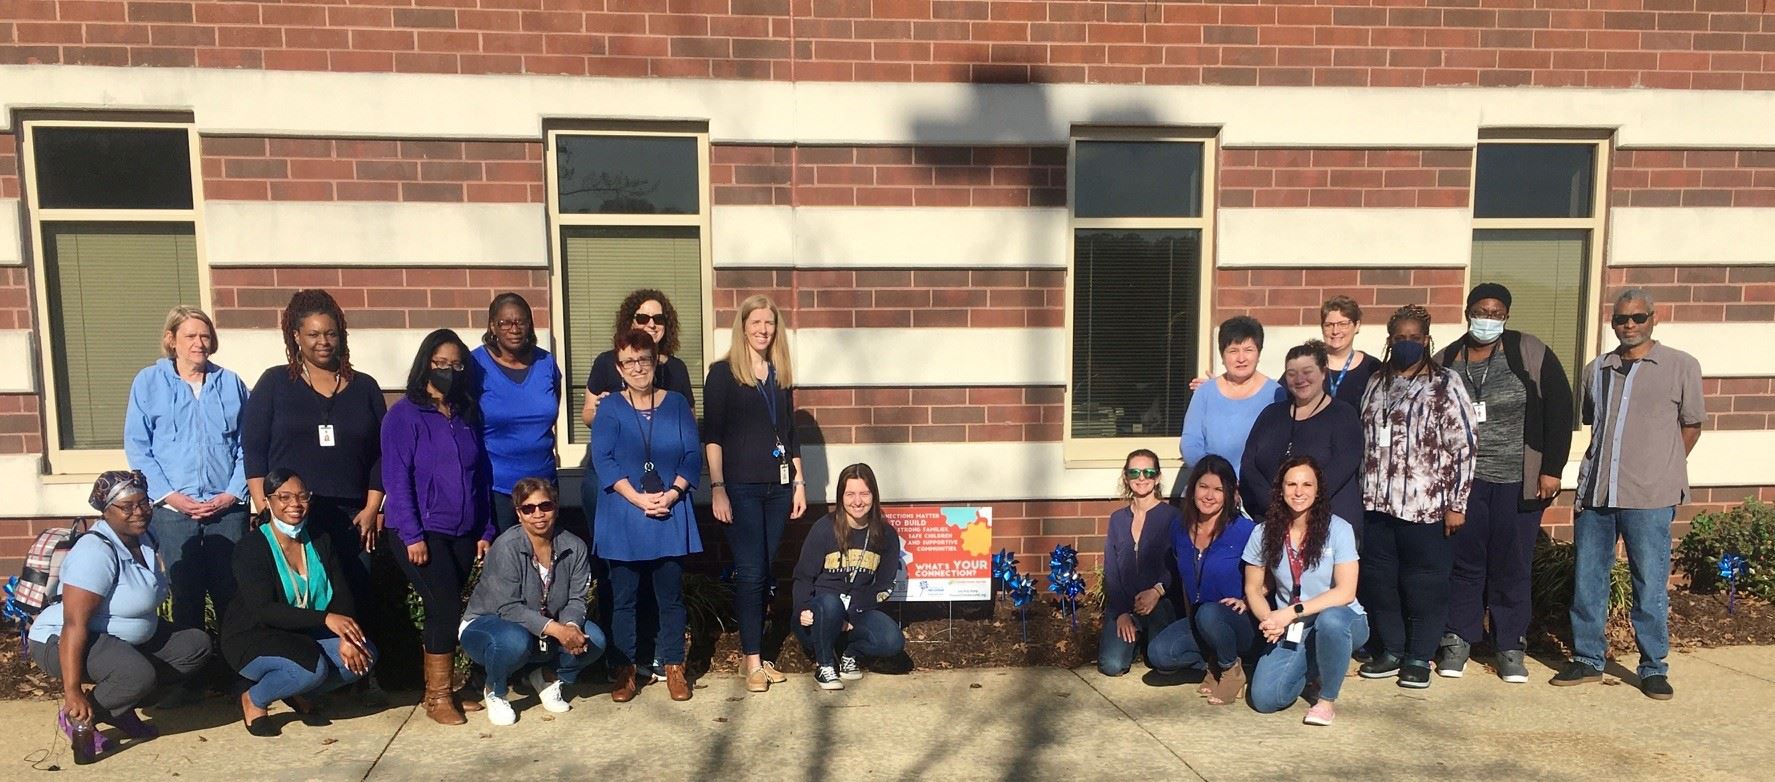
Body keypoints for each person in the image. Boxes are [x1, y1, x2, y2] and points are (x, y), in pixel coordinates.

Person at [241, 290, 387, 705]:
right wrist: (266, 511)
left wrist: (373, 506)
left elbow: (382, 454)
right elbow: (254, 452)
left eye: (332, 333)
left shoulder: (364, 387)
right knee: (299, 596)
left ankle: (356, 676)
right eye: (313, 334)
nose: (324, 342)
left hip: (353, 514)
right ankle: (300, 675)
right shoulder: (274, 385)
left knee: (353, 593)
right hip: (293, 513)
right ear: (295, 337)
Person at [1556, 288, 1704, 701]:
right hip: (1597, 492)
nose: (1630, 326)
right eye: (1622, 320)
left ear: (1653, 318)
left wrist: (1663, 465)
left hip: (1650, 495)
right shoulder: (1597, 369)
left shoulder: (1680, 366)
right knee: (1589, 579)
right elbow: (1593, 422)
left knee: (1649, 582)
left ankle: (1653, 666)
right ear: (1613, 323)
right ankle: (1587, 658)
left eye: (1638, 318)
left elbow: (1691, 424)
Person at [1434, 283, 1574, 683]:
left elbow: (1560, 410)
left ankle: (1510, 645)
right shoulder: (1447, 360)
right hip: (1466, 483)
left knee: (1511, 565)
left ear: (1506, 316)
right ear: (1467, 312)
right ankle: (1459, 637)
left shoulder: (1529, 352)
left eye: (1496, 313)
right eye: (1481, 311)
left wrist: (1553, 467)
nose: (1488, 319)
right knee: (1464, 563)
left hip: (1519, 480)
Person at [27, 471, 212, 764]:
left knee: (193, 646)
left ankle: (118, 708)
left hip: (122, 639)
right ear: (106, 510)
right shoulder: (95, 551)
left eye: (144, 503)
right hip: (61, 639)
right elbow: (74, 625)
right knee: (136, 674)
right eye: (127, 507)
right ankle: (76, 717)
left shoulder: (146, 538)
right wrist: (72, 691)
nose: (139, 512)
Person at [1356, 304, 1476, 689]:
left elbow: (1465, 448)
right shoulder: (1376, 382)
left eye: (1415, 337)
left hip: (1427, 508)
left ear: (1427, 340)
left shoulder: (1446, 383)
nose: (1407, 343)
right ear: (1390, 341)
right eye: (1400, 338)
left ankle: (1419, 656)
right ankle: (1391, 649)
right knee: (1382, 582)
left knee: (1424, 585)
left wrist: (1457, 504)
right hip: (1377, 506)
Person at [578, 289, 696, 674]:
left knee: (670, 596)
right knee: (624, 596)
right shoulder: (609, 407)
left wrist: (674, 493)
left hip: (670, 510)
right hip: (624, 513)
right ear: (619, 367)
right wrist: (639, 499)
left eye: (643, 360)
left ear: (653, 362)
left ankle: (674, 666)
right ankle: (625, 669)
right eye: (629, 362)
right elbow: (604, 459)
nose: (638, 368)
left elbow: (691, 455)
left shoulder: (676, 403)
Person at [381, 328, 495, 725]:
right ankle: (437, 697)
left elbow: (480, 474)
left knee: (446, 608)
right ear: (426, 364)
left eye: (456, 364)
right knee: (443, 605)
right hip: (418, 531)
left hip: (463, 530)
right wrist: (412, 535)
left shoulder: (466, 414)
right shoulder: (404, 415)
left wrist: (486, 528)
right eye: (441, 363)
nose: (449, 370)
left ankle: (451, 688)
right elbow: (396, 478)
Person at [124, 306, 252, 639]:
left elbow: (248, 446)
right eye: (191, 336)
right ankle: (192, 678)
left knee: (233, 595)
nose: (199, 343)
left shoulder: (231, 384)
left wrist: (232, 494)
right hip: (172, 513)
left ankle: (236, 673)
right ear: (172, 341)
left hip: (227, 511)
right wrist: (171, 497)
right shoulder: (149, 383)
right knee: (185, 594)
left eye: (205, 336)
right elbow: (139, 448)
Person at [221, 469, 377, 737]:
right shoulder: (252, 547)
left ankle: (293, 690)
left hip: (302, 632)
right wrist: (326, 619)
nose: (295, 504)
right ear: (268, 501)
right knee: (311, 670)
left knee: (364, 654)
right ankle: (254, 699)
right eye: (284, 497)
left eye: (302, 496)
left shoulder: (318, 539)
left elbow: (341, 592)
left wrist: (346, 636)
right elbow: (264, 609)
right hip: (254, 635)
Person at [704, 294, 806, 693]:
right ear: (742, 326)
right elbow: (712, 436)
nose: (763, 330)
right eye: (756, 323)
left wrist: (799, 483)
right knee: (749, 573)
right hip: (741, 489)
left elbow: (791, 437)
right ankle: (751, 661)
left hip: (778, 489)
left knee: (764, 572)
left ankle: (760, 656)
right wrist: (718, 488)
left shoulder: (779, 375)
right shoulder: (723, 374)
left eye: (770, 324)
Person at [460, 479, 606, 725]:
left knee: (595, 640)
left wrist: (571, 625)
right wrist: (557, 629)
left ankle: (546, 677)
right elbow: (508, 608)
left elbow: (576, 598)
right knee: (515, 640)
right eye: (528, 508)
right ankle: (496, 690)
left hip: (544, 626)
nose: (538, 514)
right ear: (518, 514)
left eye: (545, 506)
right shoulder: (506, 547)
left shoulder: (575, 546)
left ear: (556, 508)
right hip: (488, 624)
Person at [1244, 457, 1367, 726]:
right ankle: (1315, 667)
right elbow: (1253, 589)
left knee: (1331, 621)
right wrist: (1270, 620)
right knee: (1265, 699)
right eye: (1291, 484)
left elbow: (1345, 592)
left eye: (1307, 484)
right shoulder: (1264, 533)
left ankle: (1326, 700)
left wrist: (1288, 612)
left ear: (1318, 490)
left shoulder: (1339, 530)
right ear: (1281, 490)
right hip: (1296, 625)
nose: (1299, 492)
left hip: (1343, 620)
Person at [1147, 455, 1258, 706]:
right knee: (1159, 654)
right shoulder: (1179, 528)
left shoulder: (1245, 531)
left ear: (1230, 493)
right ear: (1193, 487)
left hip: (1238, 622)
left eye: (1218, 489)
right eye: (1204, 486)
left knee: (1209, 613)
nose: (1209, 496)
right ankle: (1215, 662)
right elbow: (1184, 577)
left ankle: (1231, 670)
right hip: (1200, 619)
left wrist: (1249, 600)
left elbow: (1271, 576)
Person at [790, 463, 906, 691]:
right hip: (818, 615)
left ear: (874, 496)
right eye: (850, 494)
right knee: (830, 603)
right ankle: (824, 666)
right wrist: (802, 608)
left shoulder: (886, 535)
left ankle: (849, 655)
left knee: (893, 641)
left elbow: (883, 586)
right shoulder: (824, 529)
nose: (858, 501)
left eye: (864, 493)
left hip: (855, 614)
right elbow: (803, 577)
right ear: (841, 496)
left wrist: (852, 615)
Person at [1241, 340, 1364, 528]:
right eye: (1292, 374)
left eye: (1307, 372)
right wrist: (1274, 507)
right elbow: (1249, 465)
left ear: (1323, 373)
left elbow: (1342, 467)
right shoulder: (1271, 415)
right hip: (1273, 523)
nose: (1299, 379)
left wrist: (1297, 506)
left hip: (1325, 526)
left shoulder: (1343, 415)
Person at [471, 293, 561, 534]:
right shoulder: (475, 365)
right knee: (505, 564)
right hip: (497, 489)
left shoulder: (546, 362)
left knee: (545, 562)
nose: (514, 328)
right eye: (505, 323)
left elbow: (552, 409)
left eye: (521, 322)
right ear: (492, 326)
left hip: (544, 487)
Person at [1095, 450, 1181, 679]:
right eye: (1134, 472)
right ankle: (1132, 640)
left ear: (1158, 477)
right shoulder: (1117, 519)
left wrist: (1157, 591)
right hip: (1125, 604)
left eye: (1148, 472)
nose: (1141, 478)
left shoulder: (1172, 517)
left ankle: (1146, 642)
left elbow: (1176, 565)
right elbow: (1112, 569)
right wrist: (1122, 611)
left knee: (1162, 662)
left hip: (1159, 602)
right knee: (1112, 665)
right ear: (1126, 477)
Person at [1180, 315, 1284, 477]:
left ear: (1259, 353)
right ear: (1222, 355)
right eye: (1233, 351)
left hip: (1259, 487)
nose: (1241, 358)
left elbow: (1279, 445)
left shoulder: (1276, 394)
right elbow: (1190, 444)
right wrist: (1214, 475)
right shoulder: (1204, 393)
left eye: (1248, 350)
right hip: (1211, 486)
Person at [1320, 296, 1381, 408]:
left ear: (1357, 326)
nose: (1335, 331)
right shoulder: (1309, 363)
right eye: (1329, 325)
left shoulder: (1372, 368)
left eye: (1343, 324)